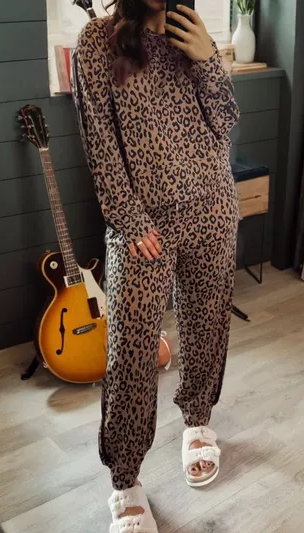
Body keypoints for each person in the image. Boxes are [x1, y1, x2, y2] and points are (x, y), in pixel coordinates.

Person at [72, 0, 239, 530]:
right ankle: (125, 478)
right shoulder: (96, 42)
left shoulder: (191, 32)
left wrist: (208, 59)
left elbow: (225, 120)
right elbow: (100, 144)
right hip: (143, 225)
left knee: (207, 321)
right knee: (130, 348)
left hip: (213, 205)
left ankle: (198, 421)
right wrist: (128, 218)